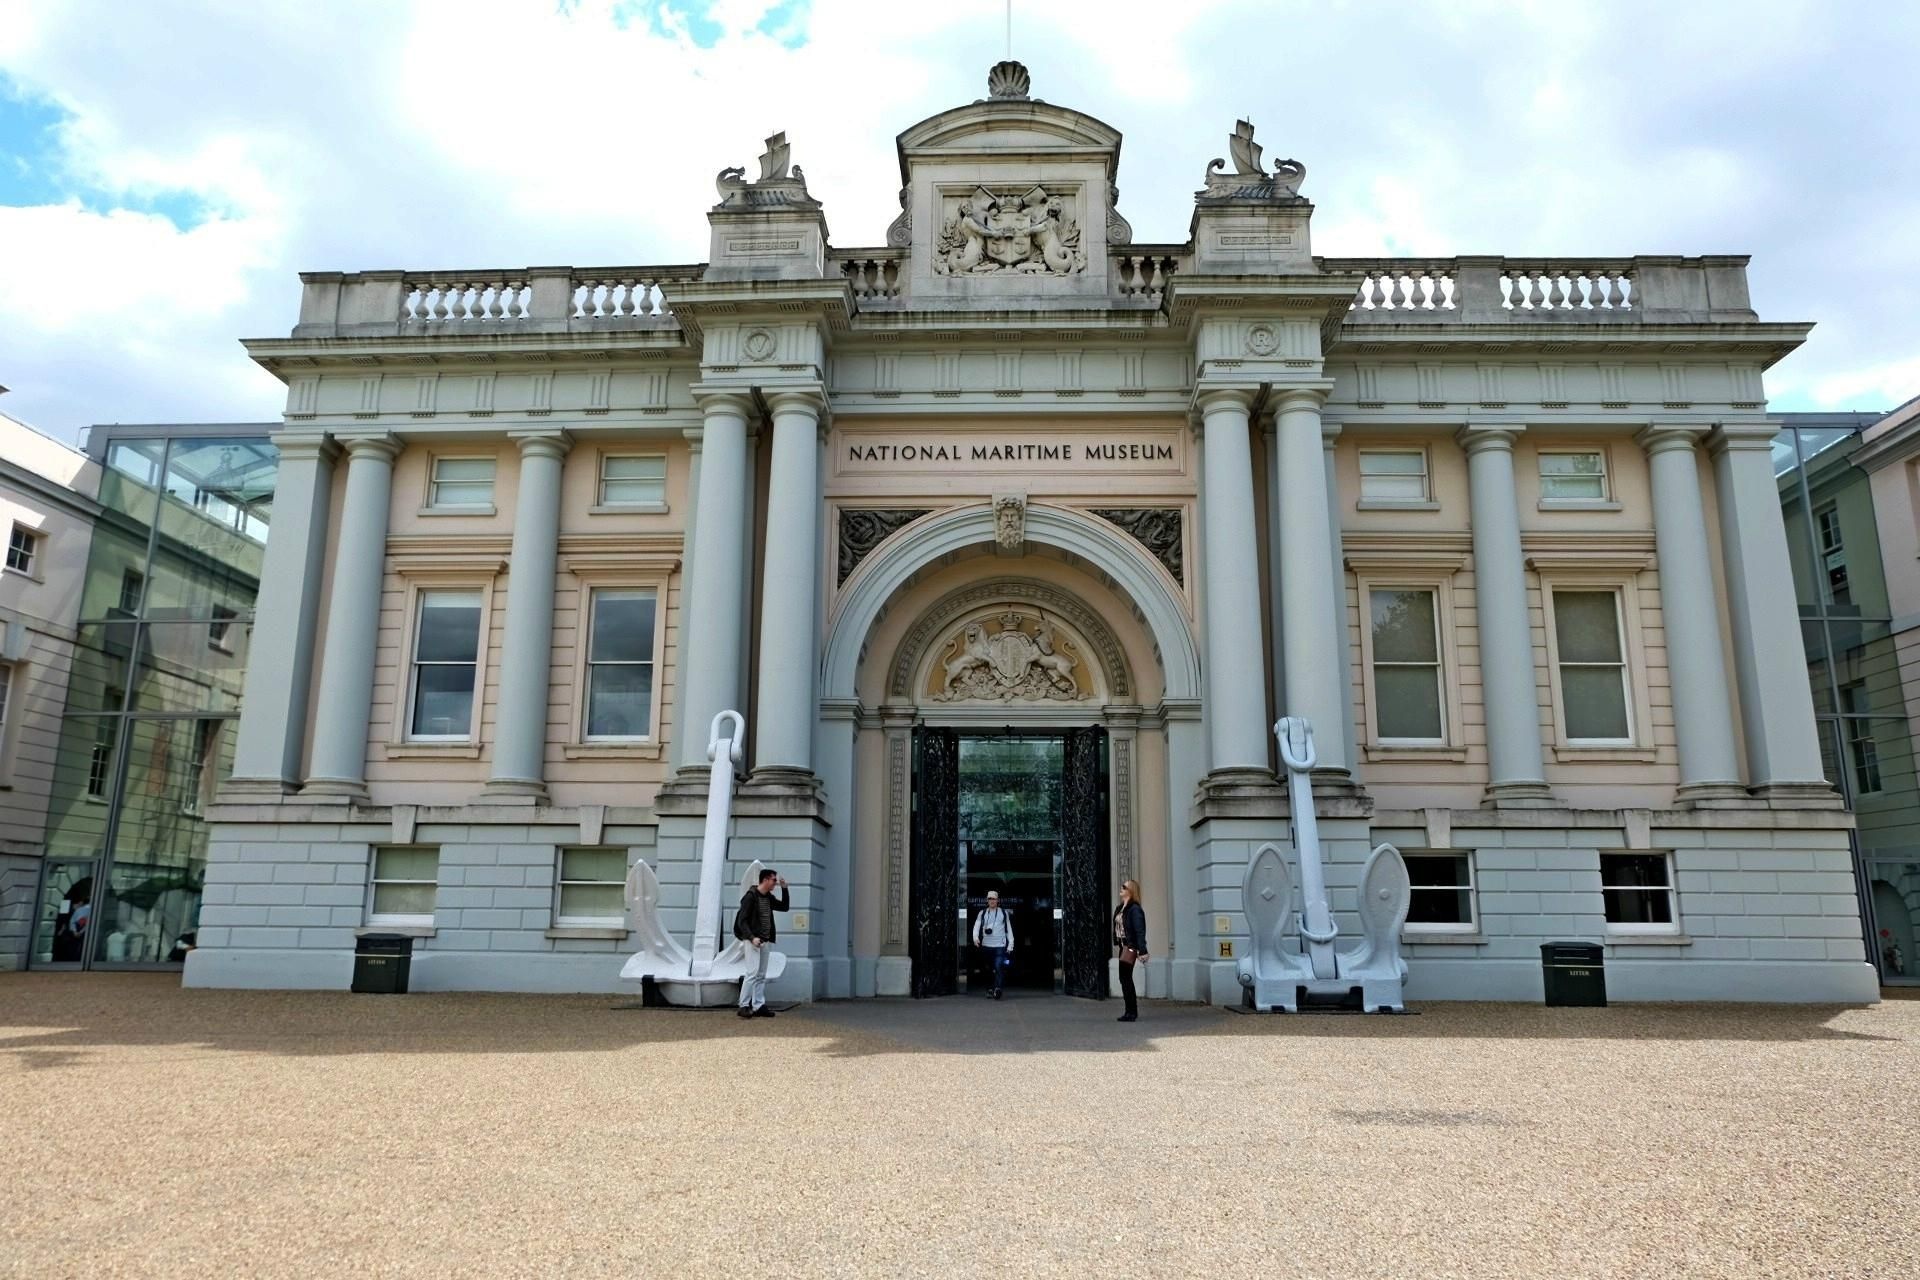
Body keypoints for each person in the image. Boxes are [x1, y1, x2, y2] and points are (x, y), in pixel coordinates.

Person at [733, 868, 789, 1019]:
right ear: (765, 880)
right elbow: (742, 921)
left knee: (761, 975)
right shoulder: (750, 897)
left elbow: (784, 907)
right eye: (773, 880)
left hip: (765, 940)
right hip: (753, 941)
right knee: (752, 973)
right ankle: (743, 1005)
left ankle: (758, 1005)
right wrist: (752, 938)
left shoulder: (768, 898)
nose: (775, 883)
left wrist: (785, 889)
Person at [1113, 879, 1148, 1022]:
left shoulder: (1135, 909)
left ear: (1131, 891)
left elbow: (1140, 930)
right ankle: (1130, 1011)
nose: (1121, 888)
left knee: (1125, 978)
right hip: (1123, 947)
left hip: (1131, 947)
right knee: (1124, 978)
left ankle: (1131, 1012)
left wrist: (1142, 950)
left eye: (1124, 887)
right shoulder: (1121, 907)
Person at [970, 890, 1015, 999]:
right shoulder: (983, 913)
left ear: (997, 900)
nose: (992, 901)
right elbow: (976, 926)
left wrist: (1010, 944)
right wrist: (975, 938)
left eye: (993, 899)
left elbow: (1009, 929)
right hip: (986, 945)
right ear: (987, 900)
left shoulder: (1004, 913)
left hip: (1000, 945)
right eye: (990, 899)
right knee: (987, 969)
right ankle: (990, 989)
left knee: (999, 966)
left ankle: (998, 988)